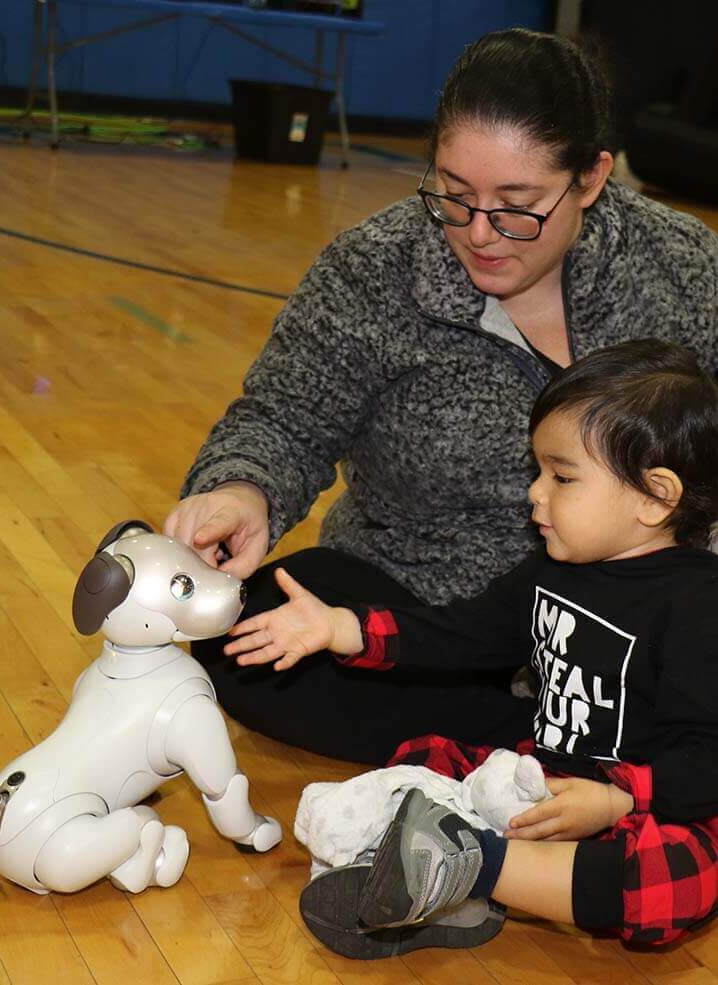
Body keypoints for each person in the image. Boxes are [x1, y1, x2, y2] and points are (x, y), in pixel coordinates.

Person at [165, 27, 718, 764]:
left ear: (591, 179)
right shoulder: (374, 268)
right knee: (260, 625)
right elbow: (284, 418)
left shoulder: (682, 267)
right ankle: (571, 742)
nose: (481, 233)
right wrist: (242, 491)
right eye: (454, 197)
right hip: (422, 608)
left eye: (518, 206)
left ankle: (533, 741)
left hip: (632, 617)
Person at [223, 339, 718, 953]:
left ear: (654, 497)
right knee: (428, 758)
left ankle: (470, 869)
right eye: (537, 471)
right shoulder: (552, 571)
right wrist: (339, 628)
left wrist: (616, 800)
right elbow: (462, 633)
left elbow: (707, 759)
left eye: (562, 477)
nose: (535, 493)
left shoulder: (699, 605)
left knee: (678, 880)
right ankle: (431, 882)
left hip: (644, 807)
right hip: (543, 780)